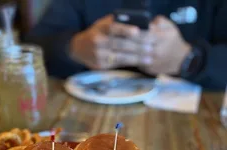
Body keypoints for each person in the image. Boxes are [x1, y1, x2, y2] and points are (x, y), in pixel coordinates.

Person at [25, 0, 227, 90]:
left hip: (195, 120)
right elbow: (31, 49)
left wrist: (188, 58)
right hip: (89, 113)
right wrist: (74, 48)